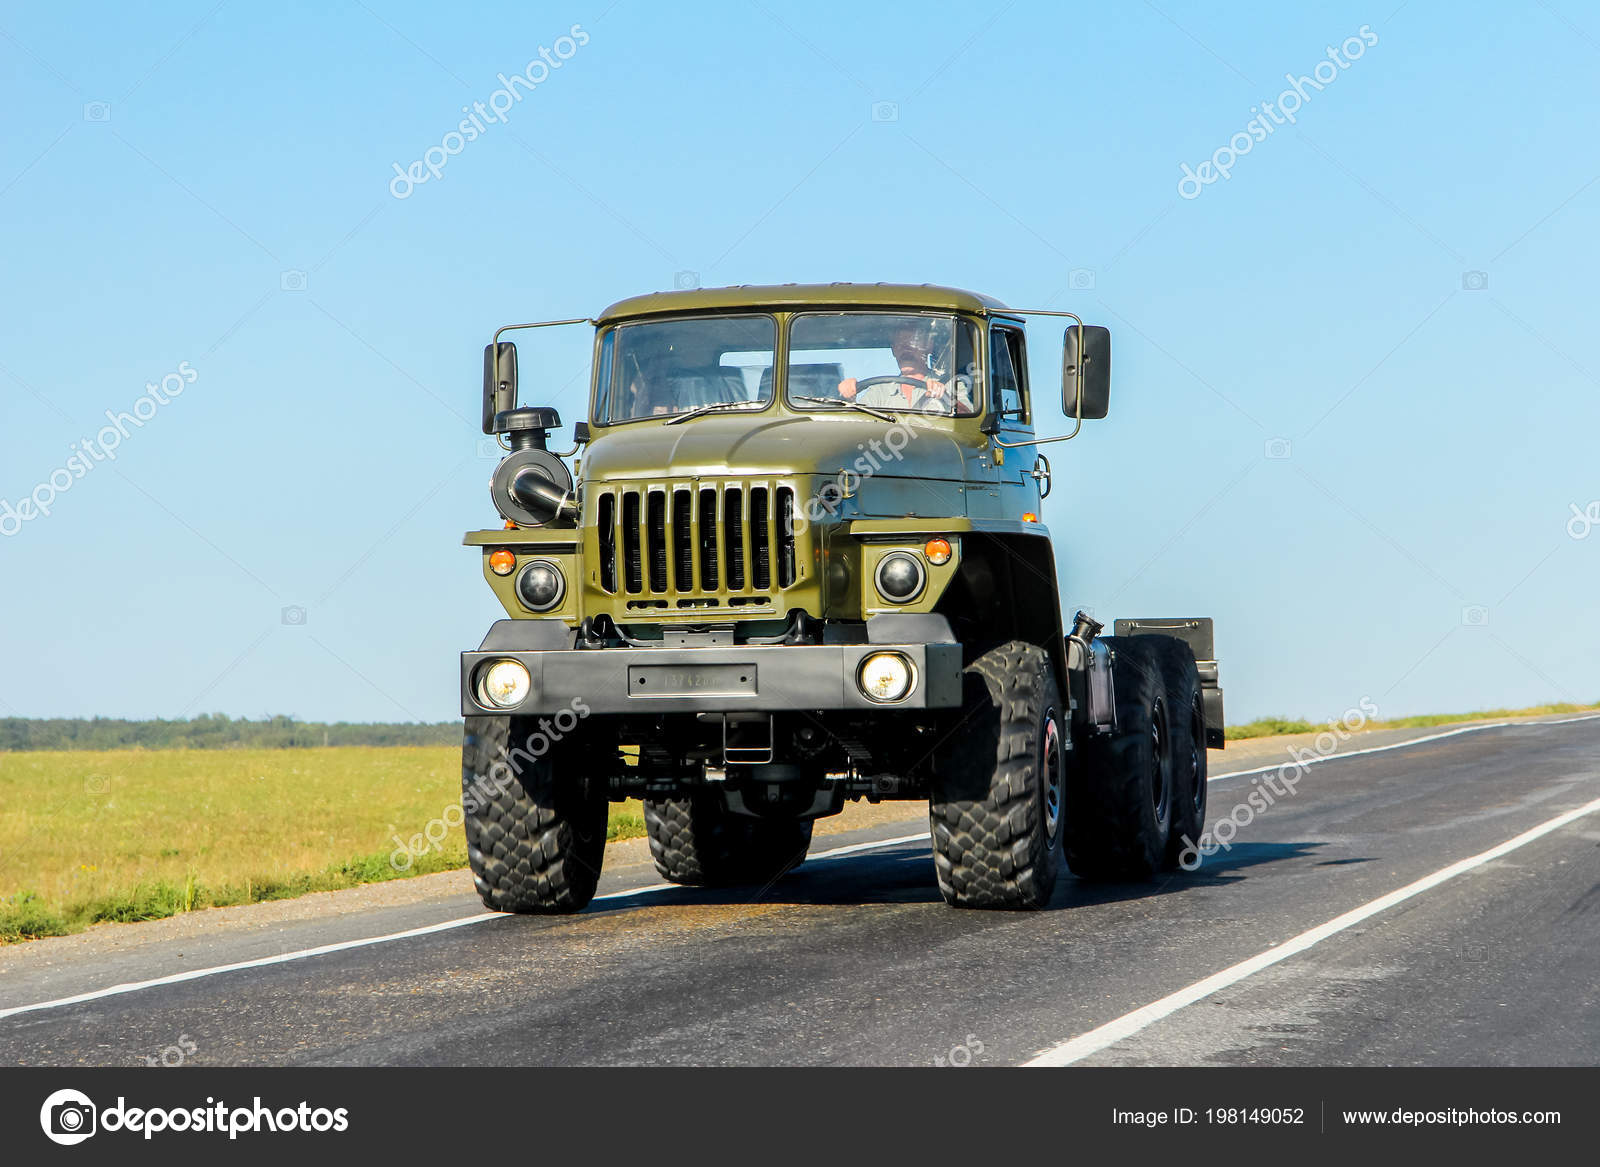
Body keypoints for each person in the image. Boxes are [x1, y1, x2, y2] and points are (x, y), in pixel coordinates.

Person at [837, 321, 973, 414]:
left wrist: (945, 397)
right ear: (894, 350)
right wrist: (849, 398)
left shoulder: (949, 383)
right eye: (899, 344)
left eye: (912, 342)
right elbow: (861, 425)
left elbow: (968, 423)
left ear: (928, 346)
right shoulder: (880, 390)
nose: (905, 349)